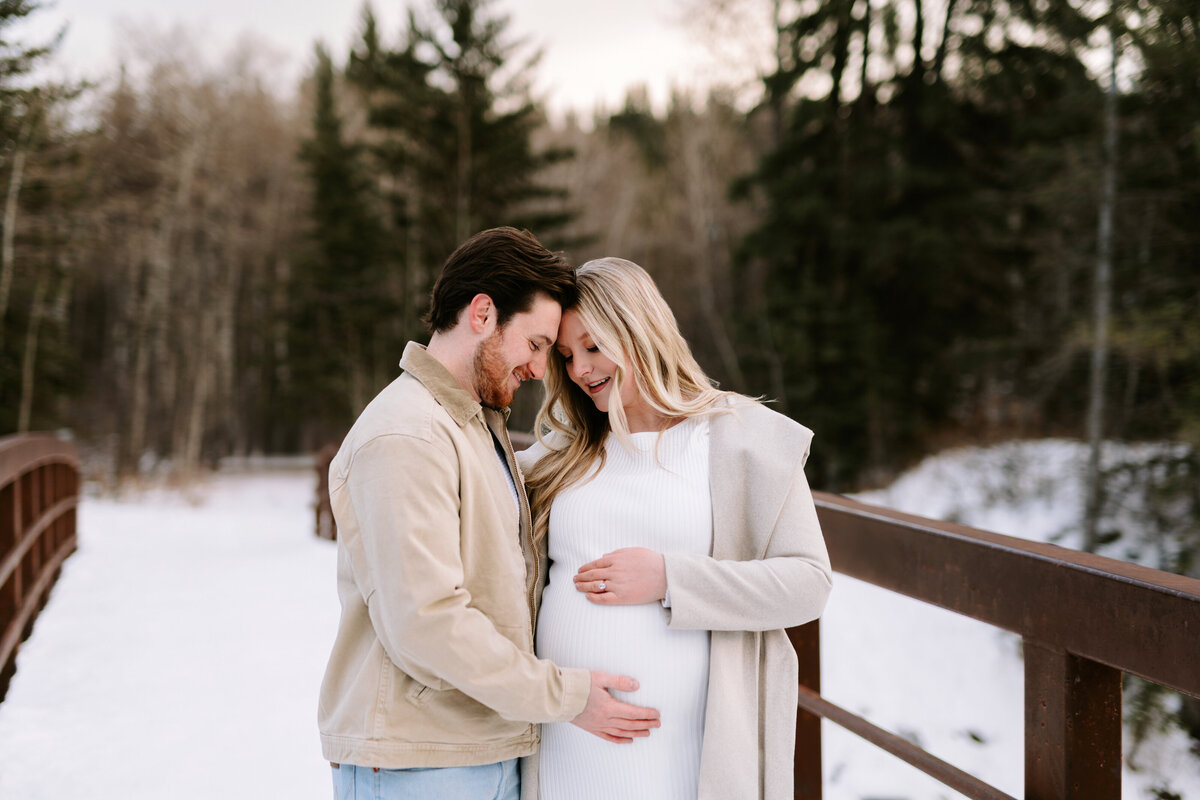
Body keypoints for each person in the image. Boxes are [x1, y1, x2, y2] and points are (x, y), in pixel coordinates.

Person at [318, 230, 661, 800]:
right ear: (482, 314)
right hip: (421, 765)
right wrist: (564, 695)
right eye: (536, 343)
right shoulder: (407, 433)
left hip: (478, 751)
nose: (539, 368)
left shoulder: (472, 428)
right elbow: (425, 622)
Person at [518, 257, 833, 800]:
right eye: (566, 356)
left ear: (640, 329)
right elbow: (470, 489)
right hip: (567, 737)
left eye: (594, 347)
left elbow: (809, 583)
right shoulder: (566, 447)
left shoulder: (737, 439)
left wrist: (670, 579)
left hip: (683, 751)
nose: (579, 370)